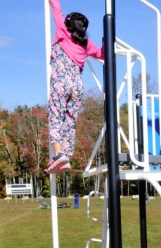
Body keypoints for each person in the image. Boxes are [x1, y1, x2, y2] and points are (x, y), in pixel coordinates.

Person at [45, 0, 104, 174]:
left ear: (68, 23)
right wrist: (107, 40)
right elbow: (102, 53)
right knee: (69, 121)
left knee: (56, 117)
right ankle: (65, 156)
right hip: (77, 85)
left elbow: (55, 7)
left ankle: (58, 155)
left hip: (61, 81)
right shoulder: (86, 43)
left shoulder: (62, 31)